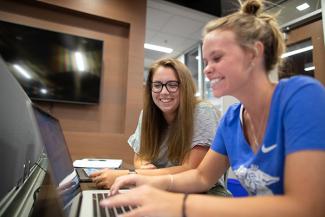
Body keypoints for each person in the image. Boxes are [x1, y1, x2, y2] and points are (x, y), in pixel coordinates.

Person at [100, 0, 325, 216]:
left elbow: (308, 208)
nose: (207, 70)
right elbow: (201, 176)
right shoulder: (231, 119)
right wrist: (145, 180)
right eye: (206, 61)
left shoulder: (301, 96)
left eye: (216, 58)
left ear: (253, 53)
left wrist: (179, 205)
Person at [91, 58, 228, 195]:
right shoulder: (146, 115)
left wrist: (131, 175)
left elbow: (192, 170)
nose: (163, 92)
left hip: (204, 194)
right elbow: (139, 156)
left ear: (184, 87)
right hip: (159, 189)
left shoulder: (202, 111)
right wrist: (143, 166)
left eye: (172, 84)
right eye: (157, 85)